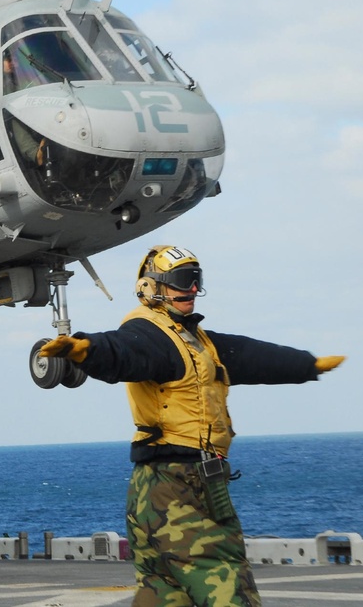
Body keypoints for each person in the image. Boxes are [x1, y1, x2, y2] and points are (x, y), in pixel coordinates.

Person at [39, 245, 345, 607]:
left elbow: (250, 356)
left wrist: (306, 366)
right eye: (183, 281)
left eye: (196, 281)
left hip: (158, 489)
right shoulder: (150, 333)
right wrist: (87, 350)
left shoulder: (198, 343)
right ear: (152, 287)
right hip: (179, 487)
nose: (193, 290)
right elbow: (124, 351)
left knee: (165, 595)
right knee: (227, 584)